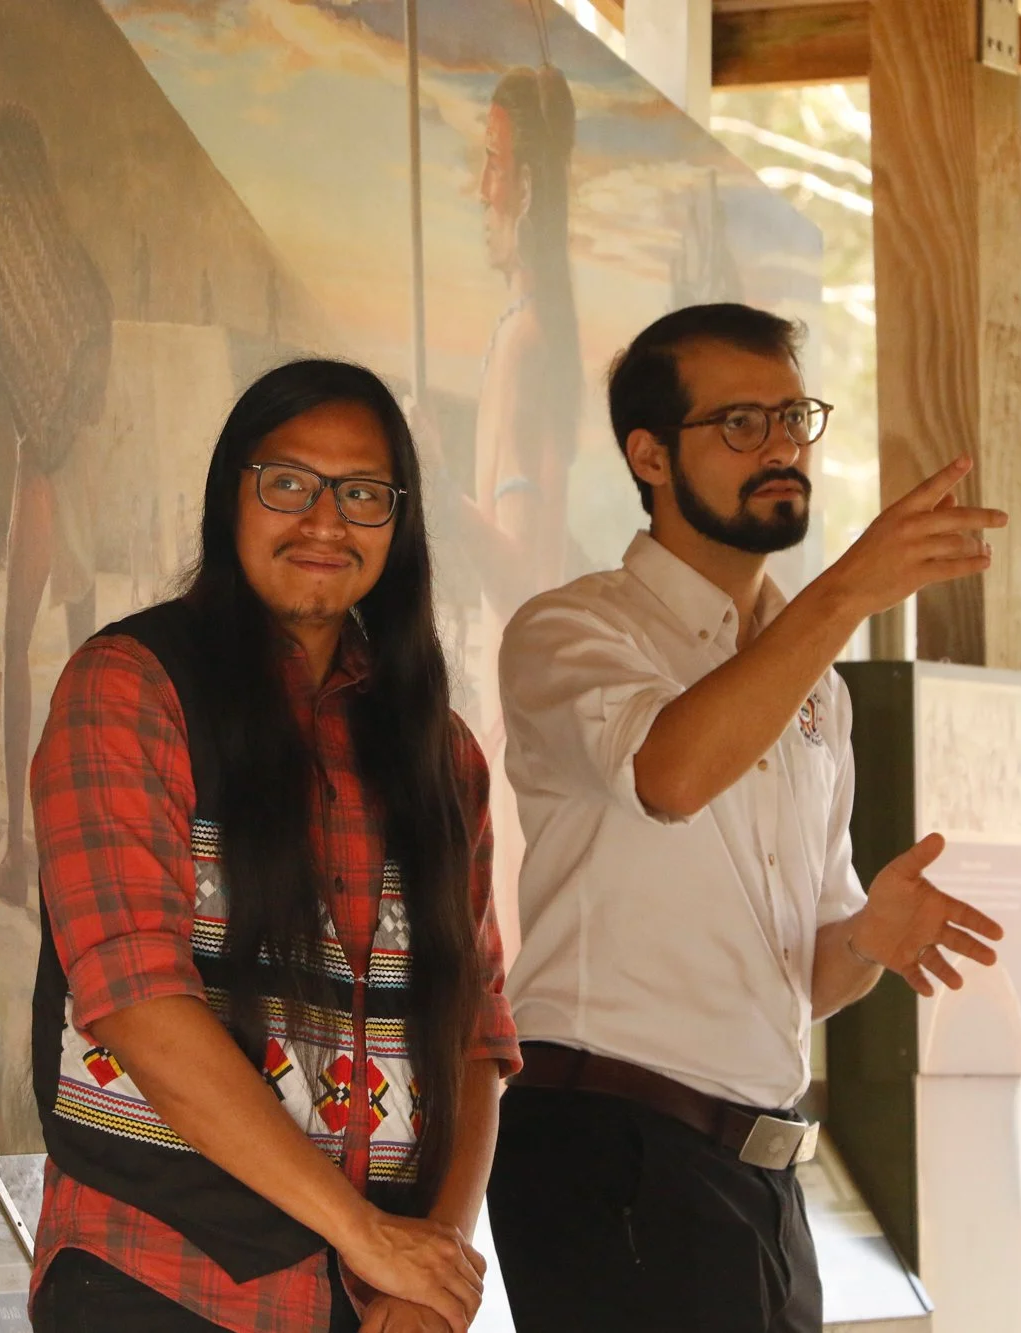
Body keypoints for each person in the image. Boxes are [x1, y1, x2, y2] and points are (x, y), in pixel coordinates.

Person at [485, 303, 1010, 1332]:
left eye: (789, 419)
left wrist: (869, 938)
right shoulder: (570, 629)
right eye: (737, 424)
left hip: (759, 1177)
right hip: (611, 1154)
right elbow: (668, 775)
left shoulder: (820, 687)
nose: (777, 449)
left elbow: (803, 976)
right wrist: (850, 590)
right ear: (647, 454)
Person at [29, 359, 521, 1333]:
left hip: (370, 1308)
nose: (325, 522)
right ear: (230, 499)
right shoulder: (129, 691)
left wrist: (425, 1269)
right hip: (154, 1278)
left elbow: (475, 1038)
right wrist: (366, 1234)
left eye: (362, 494)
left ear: (400, 520)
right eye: (287, 484)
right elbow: (135, 1003)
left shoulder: (441, 753)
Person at [0, 105, 108, 906]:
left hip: (37, 475)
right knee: (90, 653)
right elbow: (97, 398)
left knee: (17, 654)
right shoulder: (75, 272)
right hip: (83, 469)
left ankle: (19, 849)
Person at [452, 65, 581, 959]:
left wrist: (427, 491)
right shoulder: (535, 331)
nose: (481, 185)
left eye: (494, 162)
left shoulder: (529, 343)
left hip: (515, 707)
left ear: (526, 184)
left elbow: (526, 578)